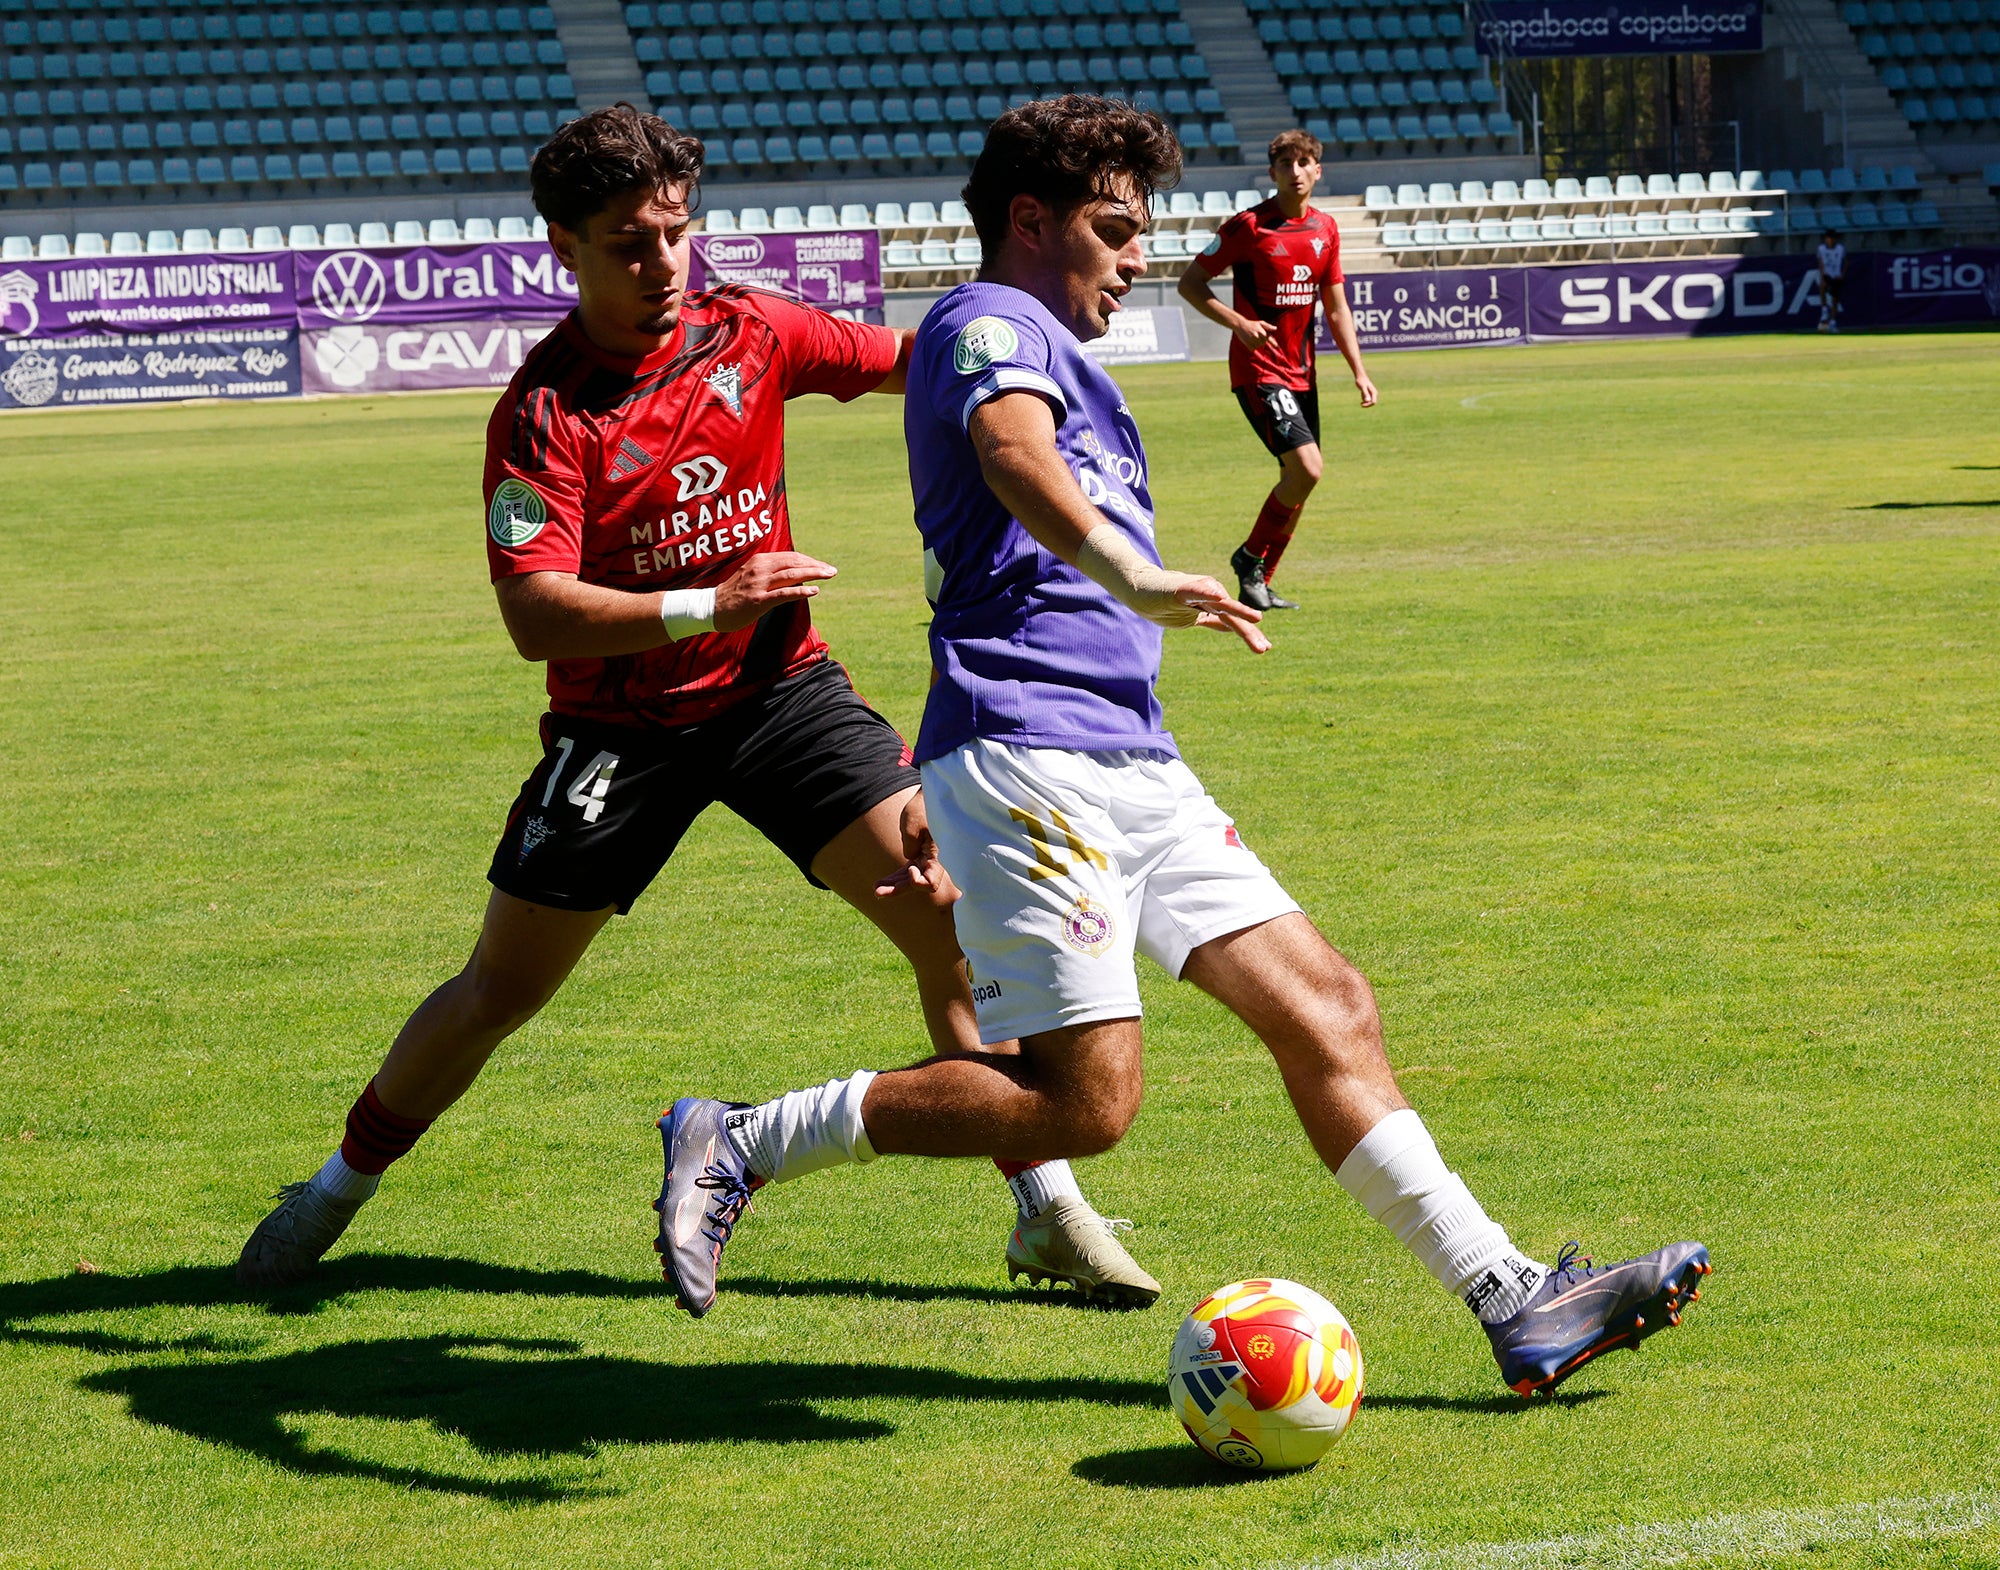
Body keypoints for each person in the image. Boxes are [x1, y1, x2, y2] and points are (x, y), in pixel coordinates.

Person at [651, 95, 1711, 1396]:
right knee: (1085, 1104)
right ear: (1031, 222)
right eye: (1113, 228)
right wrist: (1128, 569)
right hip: (1032, 750)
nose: (1137, 255)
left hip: (1126, 753)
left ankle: (1514, 1300)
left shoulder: (1057, 344)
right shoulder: (988, 322)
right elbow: (1008, 450)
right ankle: (744, 1137)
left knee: (1331, 1005)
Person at [235, 104, 1160, 1308]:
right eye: (628, 241)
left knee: (948, 920)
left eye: (676, 232)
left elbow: (916, 360)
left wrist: (1005, 361)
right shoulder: (545, 412)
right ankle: (328, 1195)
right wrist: (703, 601)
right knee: (499, 991)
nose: (662, 262)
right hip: (619, 732)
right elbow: (536, 615)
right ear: (562, 247)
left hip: (782, 695)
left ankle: (1048, 1211)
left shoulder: (750, 331)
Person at [1175, 129, 1376, 614]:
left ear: (1318, 170)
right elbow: (1191, 283)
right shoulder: (1249, 226)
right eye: (1286, 163)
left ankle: (1258, 578)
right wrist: (1239, 323)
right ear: (1273, 173)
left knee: (1301, 480)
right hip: (1259, 369)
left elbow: (1337, 307)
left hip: (1303, 373)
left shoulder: (1326, 229)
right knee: (1307, 469)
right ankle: (1249, 558)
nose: (1296, 171)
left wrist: (1359, 370)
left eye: (1304, 162)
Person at [1817, 229, 1846, 333]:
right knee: (1822, 288)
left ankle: (1833, 322)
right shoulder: (1821, 249)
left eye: (1833, 238)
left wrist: (1842, 275)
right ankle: (1824, 310)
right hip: (1827, 274)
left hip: (1836, 276)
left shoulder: (1840, 249)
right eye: (1829, 238)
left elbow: (1845, 262)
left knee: (1835, 299)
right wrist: (1823, 275)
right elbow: (1820, 263)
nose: (1831, 240)